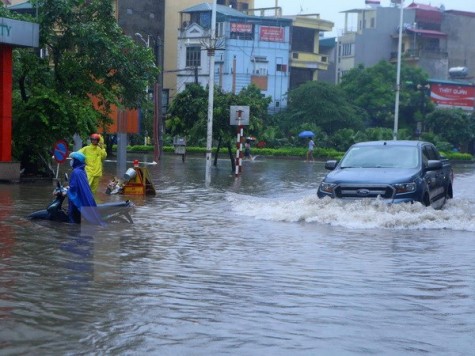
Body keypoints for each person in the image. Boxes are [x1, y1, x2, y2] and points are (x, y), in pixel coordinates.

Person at [66, 152, 103, 225]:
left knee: (73, 221)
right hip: (82, 197)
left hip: (76, 200)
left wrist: (67, 190)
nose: (71, 161)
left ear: (76, 161)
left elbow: (74, 188)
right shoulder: (81, 171)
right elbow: (78, 185)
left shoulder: (76, 172)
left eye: (72, 159)